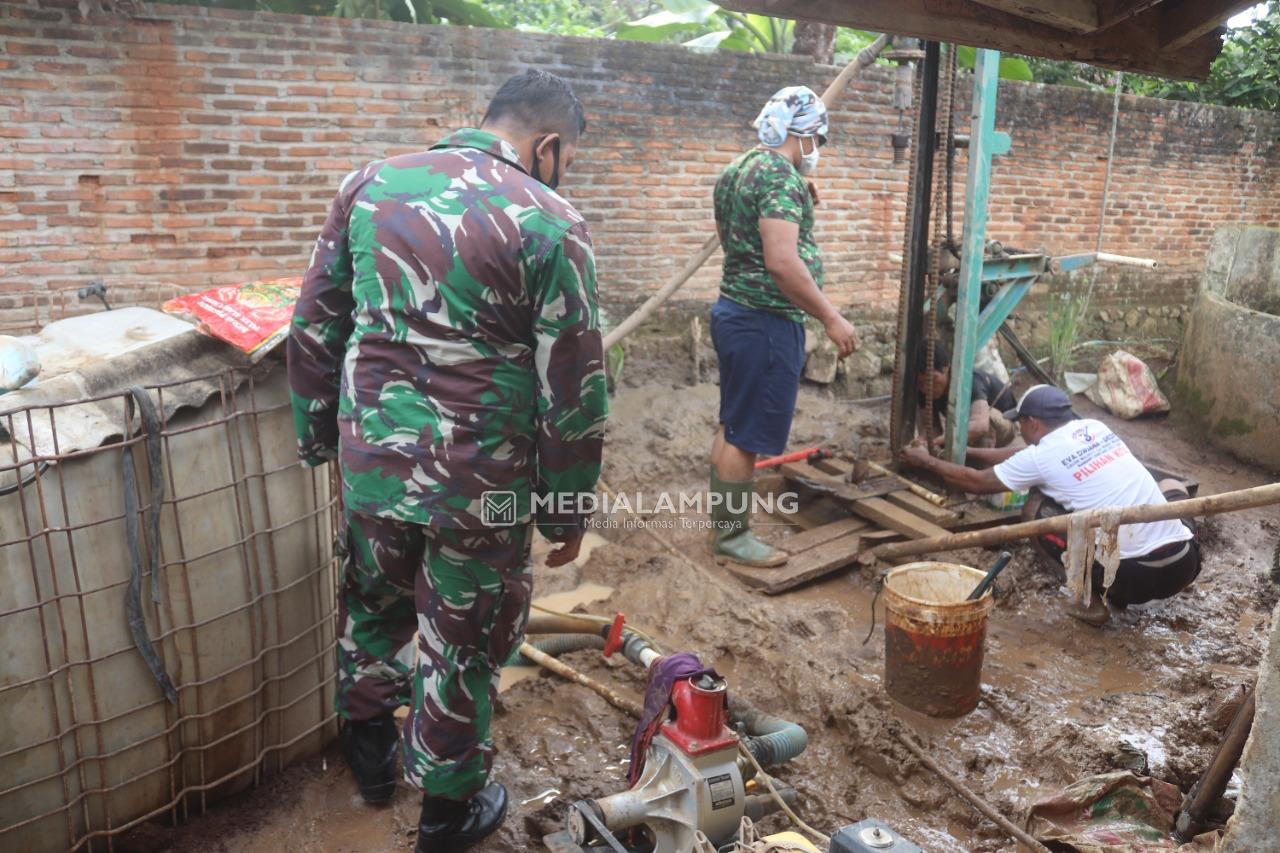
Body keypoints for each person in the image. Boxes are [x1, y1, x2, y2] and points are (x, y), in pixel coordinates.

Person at [287, 69, 607, 851]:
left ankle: (369, 757)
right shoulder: (551, 220)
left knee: (371, 603)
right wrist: (566, 508)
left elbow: (314, 327)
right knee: (462, 635)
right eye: (567, 158)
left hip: (371, 463)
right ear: (550, 145)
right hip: (481, 487)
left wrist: (318, 438)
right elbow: (574, 389)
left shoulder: (370, 185)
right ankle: (448, 809)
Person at [707, 85, 858, 568]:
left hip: (736, 313)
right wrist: (831, 316)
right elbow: (781, 261)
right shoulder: (779, 180)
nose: (819, 150)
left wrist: (796, 193)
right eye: (819, 140)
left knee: (734, 424)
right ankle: (732, 538)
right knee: (747, 433)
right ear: (805, 134)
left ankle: (726, 527)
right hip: (765, 323)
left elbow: (737, 238)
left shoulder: (739, 171)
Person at [901, 385, 1198, 626]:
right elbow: (1020, 454)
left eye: (1021, 424)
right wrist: (963, 451)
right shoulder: (1094, 428)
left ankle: (1090, 601)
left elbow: (978, 482)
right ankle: (1143, 567)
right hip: (1184, 565)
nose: (1020, 431)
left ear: (1032, 423)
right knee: (1172, 486)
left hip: (1131, 577)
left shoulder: (1041, 457)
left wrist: (926, 461)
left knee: (1035, 509)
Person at [916, 342, 1018, 450]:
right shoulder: (923, 391)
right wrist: (920, 442)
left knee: (984, 418)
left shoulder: (969, 380)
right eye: (921, 383)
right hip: (969, 429)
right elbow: (932, 428)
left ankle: (981, 463)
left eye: (932, 379)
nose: (927, 387)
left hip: (1006, 425)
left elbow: (981, 425)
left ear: (946, 368)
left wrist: (943, 440)